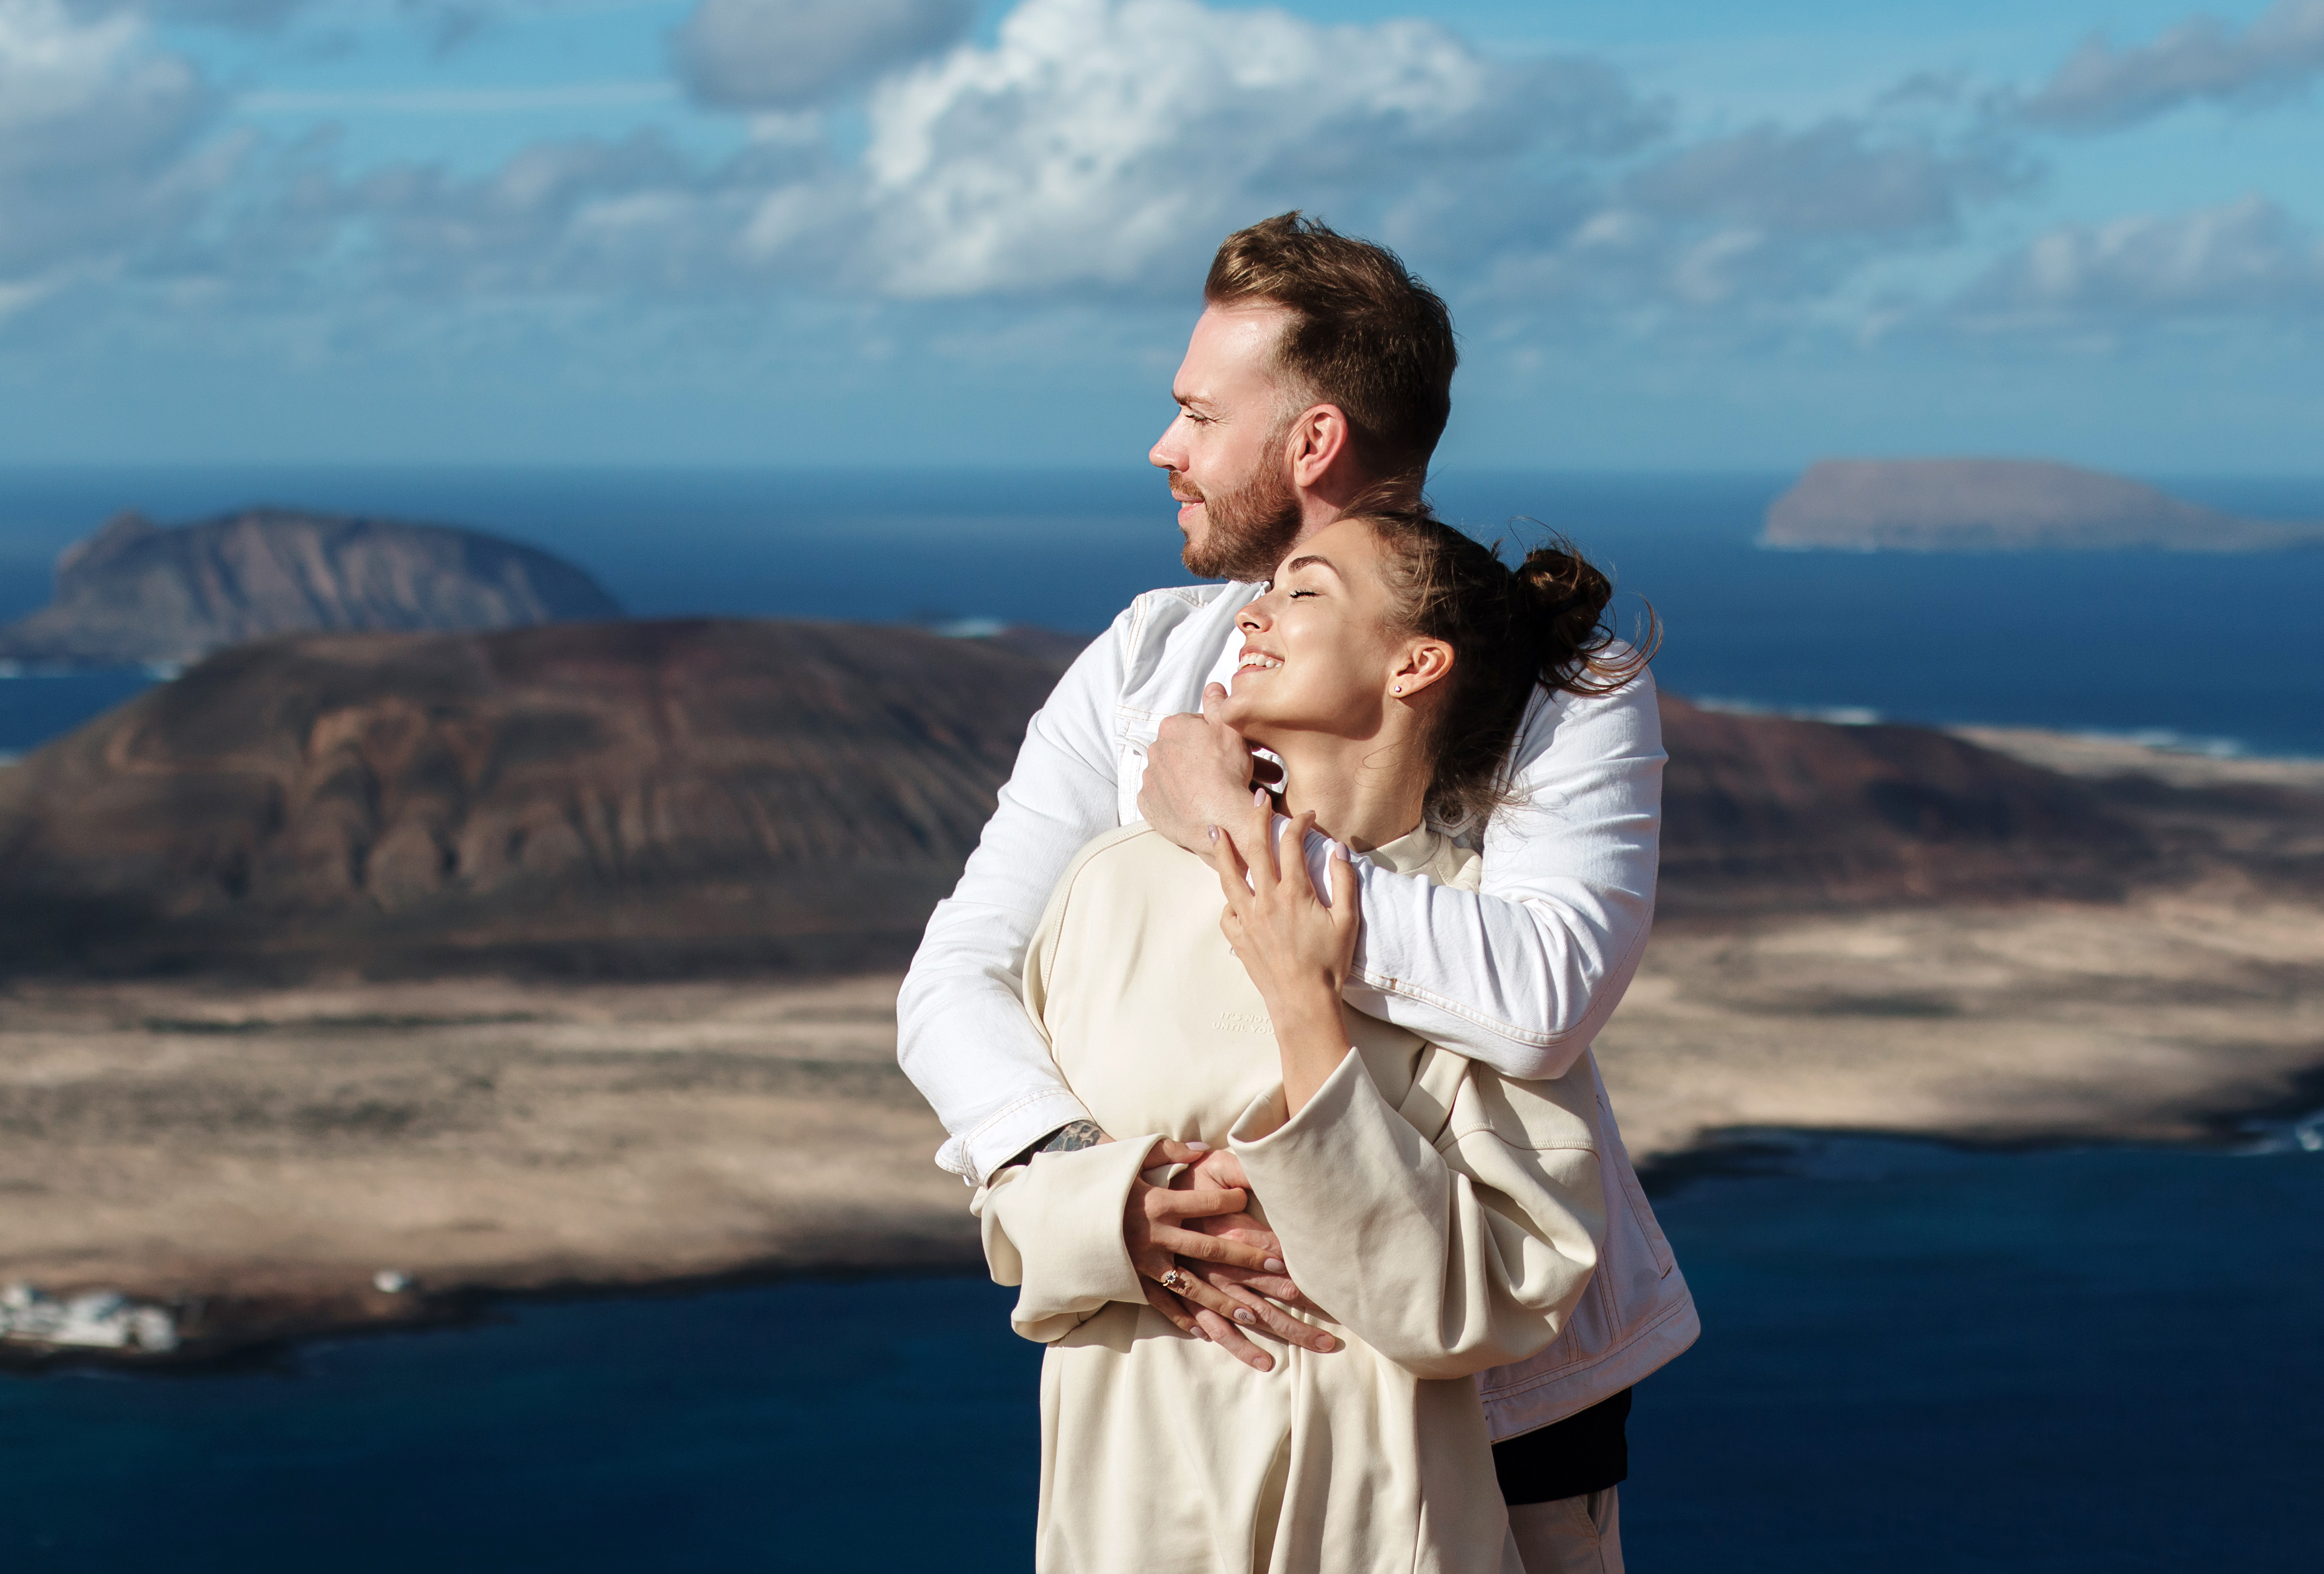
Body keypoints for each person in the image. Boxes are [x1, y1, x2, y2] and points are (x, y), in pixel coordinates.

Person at [899, 214, 1695, 1570]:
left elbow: (1544, 995)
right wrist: (1103, 1192)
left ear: (1312, 442)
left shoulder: (1566, 684)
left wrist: (1229, 833)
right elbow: (959, 979)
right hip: (1205, 1354)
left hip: (1508, 1385)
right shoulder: (1144, 660)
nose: (1168, 448)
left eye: (1199, 413)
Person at [975, 506, 1670, 1571]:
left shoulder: (1473, 956)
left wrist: (1307, 1011)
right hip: (1129, 1506)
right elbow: (1011, 1206)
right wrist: (1120, 1214)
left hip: (1377, 1523)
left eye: (1303, 592)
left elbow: (1458, 1306)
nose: (1253, 612)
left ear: (1414, 663)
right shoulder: (1112, 887)